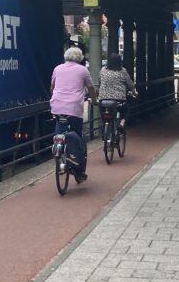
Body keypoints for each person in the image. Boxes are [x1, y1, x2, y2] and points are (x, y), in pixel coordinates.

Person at [50, 47, 96, 183]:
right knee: (78, 137)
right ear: (80, 58)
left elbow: (52, 87)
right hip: (74, 107)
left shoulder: (57, 69)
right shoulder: (83, 70)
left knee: (59, 133)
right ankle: (79, 172)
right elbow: (91, 88)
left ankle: (58, 150)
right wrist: (94, 100)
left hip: (57, 106)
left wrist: (56, 97)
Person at [98, 53, 138, 131]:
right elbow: (130, 85)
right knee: (126, 109)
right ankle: (121, 124)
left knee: (104, 114)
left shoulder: (102, 70)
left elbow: (99, 82)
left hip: (103, 99)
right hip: (119, 100)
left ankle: (105, 132)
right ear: (120, 62)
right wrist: (134, 93)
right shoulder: (123, 71)